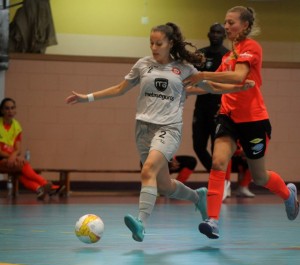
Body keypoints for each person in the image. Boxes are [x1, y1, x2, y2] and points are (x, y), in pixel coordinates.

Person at [65, 22, 254, 242]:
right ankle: (197, 197)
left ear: (170, 43)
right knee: (164, 186)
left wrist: (239, 87)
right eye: (151, 43)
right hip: (142, 129)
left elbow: (211, 88)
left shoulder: (184, 68)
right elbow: (119, 89)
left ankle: (141, 224)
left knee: (147, 171)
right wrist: (86, 98)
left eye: (159, 43)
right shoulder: (143, 64)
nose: (154, 47)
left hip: (169, 128)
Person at [183, 6, 299, 239]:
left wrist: (203, 75)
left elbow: (237, 77)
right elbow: (215, 86)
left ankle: (288, 194)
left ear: (245, 26)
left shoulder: (251, 48)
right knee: (218, 163)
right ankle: (213, 220)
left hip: (254, 121)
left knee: (259, 177)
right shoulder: (227, 56)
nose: (226, 27)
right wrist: (184, 88)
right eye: (225, 22)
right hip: (227, 117)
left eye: (231, 22)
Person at [0, 98, 64, 201]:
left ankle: (40, 189)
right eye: (7, 108)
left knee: (20, 171)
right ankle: (46, 184)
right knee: (22, 165)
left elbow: (18, 149)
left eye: (12, 108)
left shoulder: (16, 126)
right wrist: (12, 157)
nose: (10, 111)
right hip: (2, 159)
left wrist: (14, 156)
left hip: (11, 160)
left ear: (15, 110)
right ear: (2, 110)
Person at [192, 23, 228, 172]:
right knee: (198, 146)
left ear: (224, 35)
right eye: (212, 32)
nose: (215, 35)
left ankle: (220, 181)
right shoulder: (201, 54)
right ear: (208, 34)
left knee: (217, 148)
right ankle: (215, 173)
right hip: (201, 107)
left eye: (219, 32)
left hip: (219, 108)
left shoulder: (228, 56)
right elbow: (191, 77)